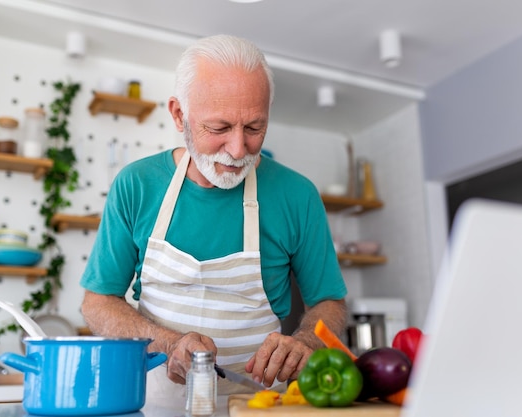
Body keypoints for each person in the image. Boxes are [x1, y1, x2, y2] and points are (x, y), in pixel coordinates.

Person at [80, 34, 348, 400]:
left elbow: (330, 303)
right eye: (219, 128)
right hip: (158, 400)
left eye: (254, 128)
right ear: (179, 115)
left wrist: (305, 341)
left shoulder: (297, 195)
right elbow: (97, 302)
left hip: (260, 403)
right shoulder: (137, 185)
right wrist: (167, 342)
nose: (238, 149)